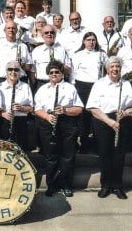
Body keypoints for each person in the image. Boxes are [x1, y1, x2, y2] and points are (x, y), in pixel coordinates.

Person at [86, 56, 132, 200]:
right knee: (105, 154)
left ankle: (118, 186)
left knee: (119, 155)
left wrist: (126, 112)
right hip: (103, 121)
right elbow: (92, 107)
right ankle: (105, 185)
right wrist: (109, 122)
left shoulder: (127, 84)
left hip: (122, 121)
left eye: (117, 67)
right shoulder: (99, 84)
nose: (115, 69)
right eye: (112, 67)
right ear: (107, 69)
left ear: (121, 69)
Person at [34, 60, 83, 197]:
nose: (54, 74)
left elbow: (79, 109)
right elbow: (37, 108)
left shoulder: (70, 88)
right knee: (51, 157)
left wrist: (65, 110)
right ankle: (51, 185)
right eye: (51, 72)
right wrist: (47, 117)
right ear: (48, 75)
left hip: (67, 123)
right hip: (48, 122)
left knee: (67, 157)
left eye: (57, 72)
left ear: (62, 73)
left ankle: (66, 185)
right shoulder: (42, 89)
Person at [69, 32, 108, 153]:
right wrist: (73, 87)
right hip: (82, 86)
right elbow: (73, 73)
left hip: (97, 86)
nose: (91, 42)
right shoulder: (77, 55)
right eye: (88, 40)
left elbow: (106, 71)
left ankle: (97, 145)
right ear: (84, 42)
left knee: (97, 115)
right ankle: (84, 144)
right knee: (83, 117)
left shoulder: (102, 54)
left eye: (93, 40)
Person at [0, 61, 34, 150]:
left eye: (16, 70)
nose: (13, 72)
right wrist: (2, 113)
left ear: (20, 72)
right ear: (6, 71)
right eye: (10, 69)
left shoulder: (26, 87)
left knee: (21, 151)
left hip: (21, 122)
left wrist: (21, 108)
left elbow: (31, 108)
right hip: (4, 121)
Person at [0, 20, 34, 85]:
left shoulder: (23, 46)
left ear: (17, 30)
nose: (11, 30)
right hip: (1, 81)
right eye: (8, 28)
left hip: (20, 81)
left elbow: (29, 67)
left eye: (13, 28)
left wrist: (22, 65)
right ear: (4, 30)